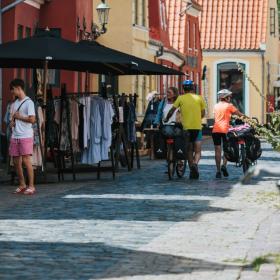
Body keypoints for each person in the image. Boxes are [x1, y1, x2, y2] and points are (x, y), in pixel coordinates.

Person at [164, 80, 206, 179]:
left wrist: (166, 118)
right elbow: (203, 113)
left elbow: (172, 110)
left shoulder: (180, 98)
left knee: (189, 150)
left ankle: (192, 169)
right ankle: (195, 164)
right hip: (197, 127)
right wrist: (196, 118)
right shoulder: (199, 98)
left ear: (183, 88)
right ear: (192, 88)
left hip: (186, 128)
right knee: (198, 150)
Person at [9, 79, 36, 195]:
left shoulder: (29, 102)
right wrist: (12, 123)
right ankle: (22, 184)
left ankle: (31, 186)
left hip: (25, 135)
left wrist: (19, 117)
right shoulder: (14, 104)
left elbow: (32, 120)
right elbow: (12, 119)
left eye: (13, 89)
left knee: (26, 160)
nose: (12, 92)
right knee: (16, 161)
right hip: (15, 135)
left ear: (18, 88)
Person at [212, 89, 246, 178]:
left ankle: (218, 171)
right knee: (226, 149)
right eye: (229, 97)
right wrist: (247, 118)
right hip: (225, 130)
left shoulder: (215, 106)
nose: (230, 98)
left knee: (217, 151)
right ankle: (224, 165)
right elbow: (239, 114)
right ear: (226, 97)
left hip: (215, 130)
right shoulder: (229, 106)